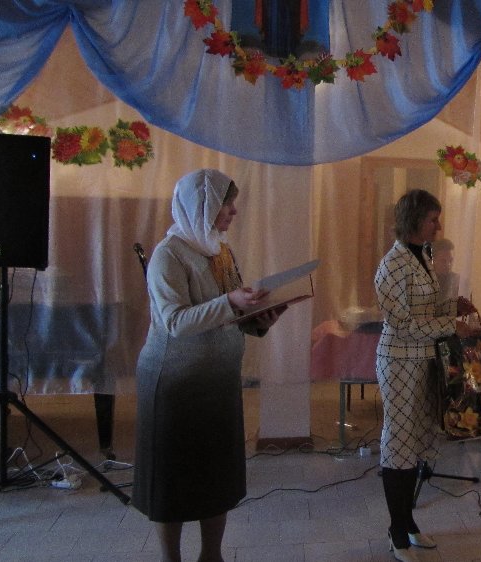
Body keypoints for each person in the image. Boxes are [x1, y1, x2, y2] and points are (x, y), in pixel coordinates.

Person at [132, 169, 285, 562]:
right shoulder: (168, 255)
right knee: (173, 479)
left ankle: (211, 556)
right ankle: (171, 558)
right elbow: (175, 321)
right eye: (225, 204)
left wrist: (259, 319)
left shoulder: (221, 250)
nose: (233, 211)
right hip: (175, 384)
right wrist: (232, 302)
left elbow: (230, 313)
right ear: (200, 206)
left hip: (218, 382)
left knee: (216, 477)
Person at [374, 189, 476, 562]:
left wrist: (452, 306)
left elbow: (424, 310)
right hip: (399, 362)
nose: (439, 226)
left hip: (423, 360)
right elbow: (402, 324)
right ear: (414, 220)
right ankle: (397, 532)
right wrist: (450, 325)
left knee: (415, 441)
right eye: (433, 219)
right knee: (399, 443)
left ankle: (409, 522)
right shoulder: (392, 264)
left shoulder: (423, 255)